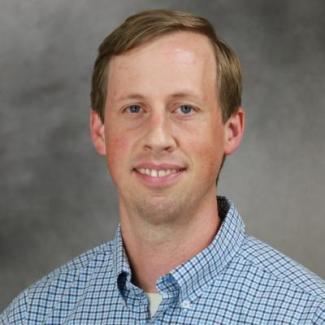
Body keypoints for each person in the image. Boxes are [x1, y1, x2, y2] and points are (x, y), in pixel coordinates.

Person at [1, 9, 324, 324]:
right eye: (134, 108)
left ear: (231, 130)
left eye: (185, 108)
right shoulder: (33, 315)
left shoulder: (310, 314)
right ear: (100, 131)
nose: (157, 138)